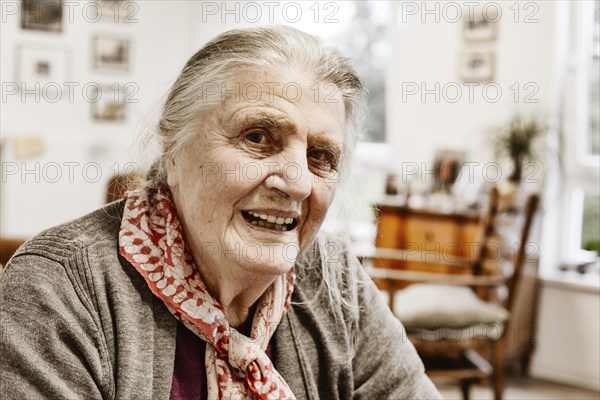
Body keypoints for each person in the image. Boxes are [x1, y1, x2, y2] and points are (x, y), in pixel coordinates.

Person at [0, 26, 442, 399]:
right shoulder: (59, 287)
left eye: (320, 156)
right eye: (257, 137)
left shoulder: (332, 276)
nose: (297, 181)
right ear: (173, 148)